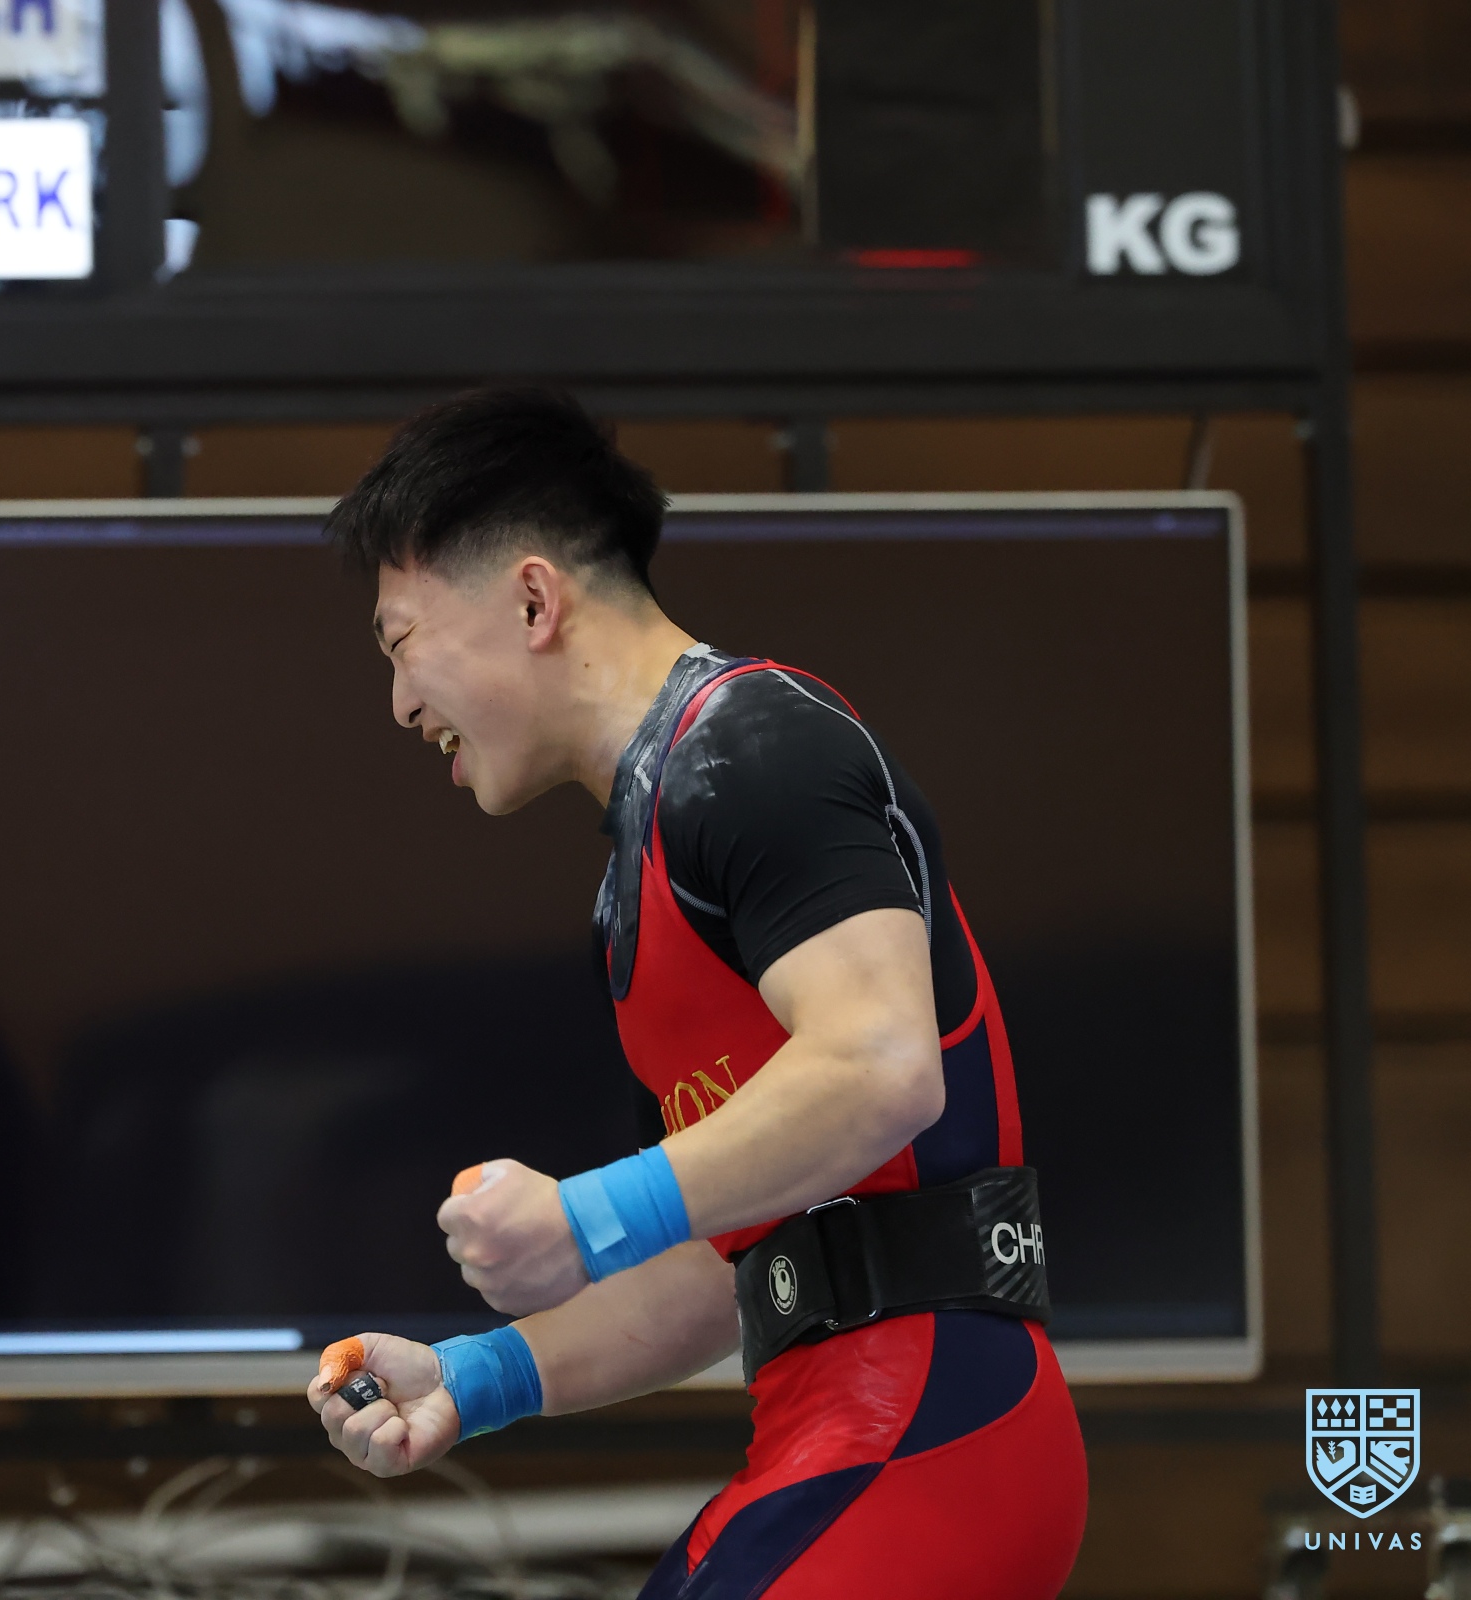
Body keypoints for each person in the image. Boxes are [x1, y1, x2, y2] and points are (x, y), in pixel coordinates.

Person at [304, 389, 1087, 1598]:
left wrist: (582, 1215)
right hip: (850, 1434)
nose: (401, 702)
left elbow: (884, 1067)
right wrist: (475, 1378)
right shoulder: (638, 878)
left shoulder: (756, 745)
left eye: (400, 642)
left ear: (532, 600)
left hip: (933, 1433)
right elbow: (717, 1265)